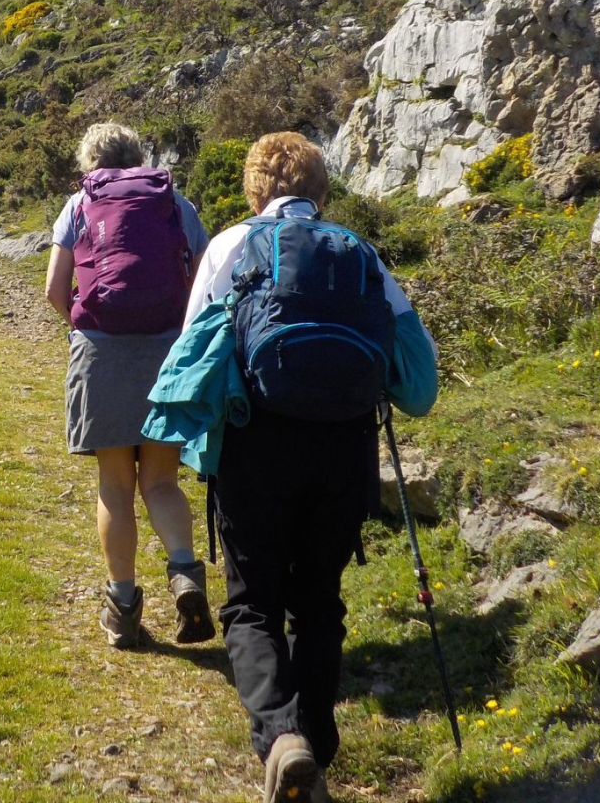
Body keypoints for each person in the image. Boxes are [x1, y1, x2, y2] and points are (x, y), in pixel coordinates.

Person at [152, 131, 437, 803]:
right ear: (321, 191)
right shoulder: (359, 253)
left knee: (253, 603)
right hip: (343, 449)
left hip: (255, 444)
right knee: (318, 603)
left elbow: (189, 358)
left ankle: (282, 739)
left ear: (254, 189)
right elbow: (420, 382)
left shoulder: (229, 246)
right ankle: (317, 753)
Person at [44, 121, 213, 649]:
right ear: (139, 157)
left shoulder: (79, 205)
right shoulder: (174, 203)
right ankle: (185, 575)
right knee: (162, 482)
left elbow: (54, 289)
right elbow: (203, 282)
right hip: (167, 352)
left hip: (102, 352)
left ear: (90, 162)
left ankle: (122, 609)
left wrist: (84, 328)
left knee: (115, 486)